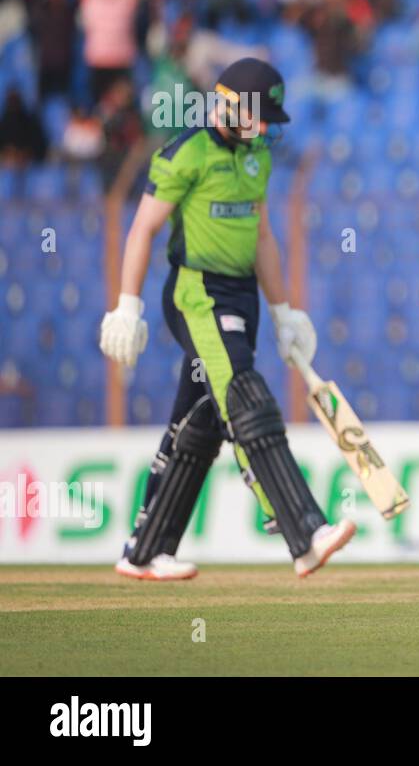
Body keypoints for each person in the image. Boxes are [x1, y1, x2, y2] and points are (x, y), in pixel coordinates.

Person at [99, 58, 355, 580]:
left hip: (242, 298)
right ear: (228, 104)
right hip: (198, 294)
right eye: (257, 116)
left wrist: (285, 312)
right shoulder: (186, 152)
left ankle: (143, 551)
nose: (263, 128)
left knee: (198, 421)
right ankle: (301, 529)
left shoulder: (257, 156)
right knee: (243, 392)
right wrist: (128, 306)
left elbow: (261, 237)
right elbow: (143, 230)